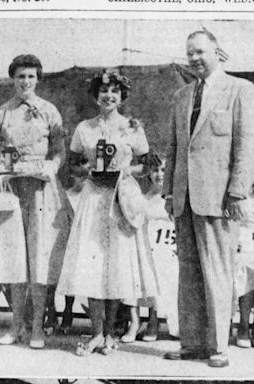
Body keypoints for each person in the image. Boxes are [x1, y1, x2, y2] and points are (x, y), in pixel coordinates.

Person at [162, 30, 254, 368]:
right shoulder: (181, 95)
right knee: (188, 273)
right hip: (184, 198)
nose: (195, 58)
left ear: (217, 51)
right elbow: (173, 147)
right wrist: (169, 192)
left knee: (217, 272)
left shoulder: (241, 90)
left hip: (219, 199)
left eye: (200, 51)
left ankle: (218, 347)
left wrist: (237, 192)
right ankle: (192, 344)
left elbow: (247, 147)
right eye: (190, 53)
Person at [56, 70, 158, 356]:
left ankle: (111, 333)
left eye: (114, 91)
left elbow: (146, 165)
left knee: (117, 267)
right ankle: (95, 333)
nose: (108, 96)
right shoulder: (84, 128)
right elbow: (73, 164)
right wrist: (87, 169)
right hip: (94, 199)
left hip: (121, 199)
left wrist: (126, 170)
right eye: (103, 91)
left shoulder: (132, 127)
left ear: (121, 96)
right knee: (93, 266)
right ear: (96, 96)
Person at [0, 54, 73, 349]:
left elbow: (59, 149)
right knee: (15, 257)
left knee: (39, 257)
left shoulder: (49, 111)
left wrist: (52, 166)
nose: (25, 82)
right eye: (21, 76)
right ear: (13, 79)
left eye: (31, 77)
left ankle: (37, 327)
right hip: (13, 189)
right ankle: (16, 325)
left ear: (38, 79)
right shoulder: (1, 114)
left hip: (42, 189)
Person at [121, 153, 179, 343]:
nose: (159, 174)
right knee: (141, 274)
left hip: (169, 249)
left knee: (165, 274)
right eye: (155, 170)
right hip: (148, 248)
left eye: (164, 170)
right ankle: (142, 321)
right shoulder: (144, 198)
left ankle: (159, 321)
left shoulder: (174, 199)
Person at [234, 185, 254, 348]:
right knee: (246, 274)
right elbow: (230, 216)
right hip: (245, 241)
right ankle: (244, 326)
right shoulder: (242, 191)